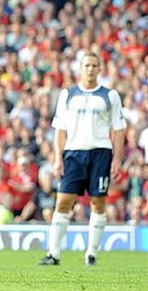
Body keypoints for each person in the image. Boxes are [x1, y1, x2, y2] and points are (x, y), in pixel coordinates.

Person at [38, 52, 126, 266]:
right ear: (80, 68)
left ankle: (91, 254)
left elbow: (119, 129)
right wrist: (58, 158)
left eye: (95, 65)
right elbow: (60, 129)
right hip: (73, 153)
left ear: (100, 68)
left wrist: (117, 159)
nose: (90, 69)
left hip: (100, 152)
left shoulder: (110, 95)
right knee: (63, 201)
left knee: (98, 202)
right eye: (87, 65)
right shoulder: (68, 94)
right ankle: (54, 254)